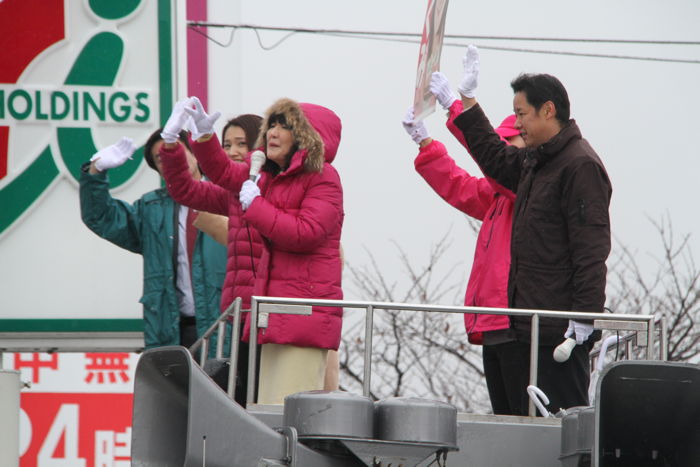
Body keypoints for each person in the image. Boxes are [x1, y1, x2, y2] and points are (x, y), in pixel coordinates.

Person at [449, 45, 612, 415]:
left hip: (556, 333)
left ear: (548, 110)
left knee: (555, 437)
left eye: (521, 114)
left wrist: (584, 316)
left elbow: (591, 249)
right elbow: (494, 156)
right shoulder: (536, 163)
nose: (517, 124)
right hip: (522, 328)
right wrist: (466, 104)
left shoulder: (579, 165)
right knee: (513, 431)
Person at [160, 96, 344, 405]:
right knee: (260, 409)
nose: (272, 132)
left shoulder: (323, 178)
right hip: (261, 316)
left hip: (298, 317)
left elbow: (304, 233)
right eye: (271, 124)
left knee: (285, 410)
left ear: (307, 136)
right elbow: (211, 178)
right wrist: (196, 140)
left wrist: (255, 206)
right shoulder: (265, 179)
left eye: (284, 126)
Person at [403, 74, 526, 414]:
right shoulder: (499, 195)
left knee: (522, 419)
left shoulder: (527, 189)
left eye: (508, 143)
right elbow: (460, 186)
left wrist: (456, 107)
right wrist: (426, 147)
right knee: (505, 416)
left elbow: (483, 162)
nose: (497, 153)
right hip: (494, 321)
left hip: (515, 320)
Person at [78, 130, 227, 353]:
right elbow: (101, 217)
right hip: (171, 332)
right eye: (160, 158)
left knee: (222, 387)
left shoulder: (226, 198)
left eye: (177, 150)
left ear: (195, 154)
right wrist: (96, 171)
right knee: (174, 388)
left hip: (222, 330)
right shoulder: (151, 209)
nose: (170, 158)